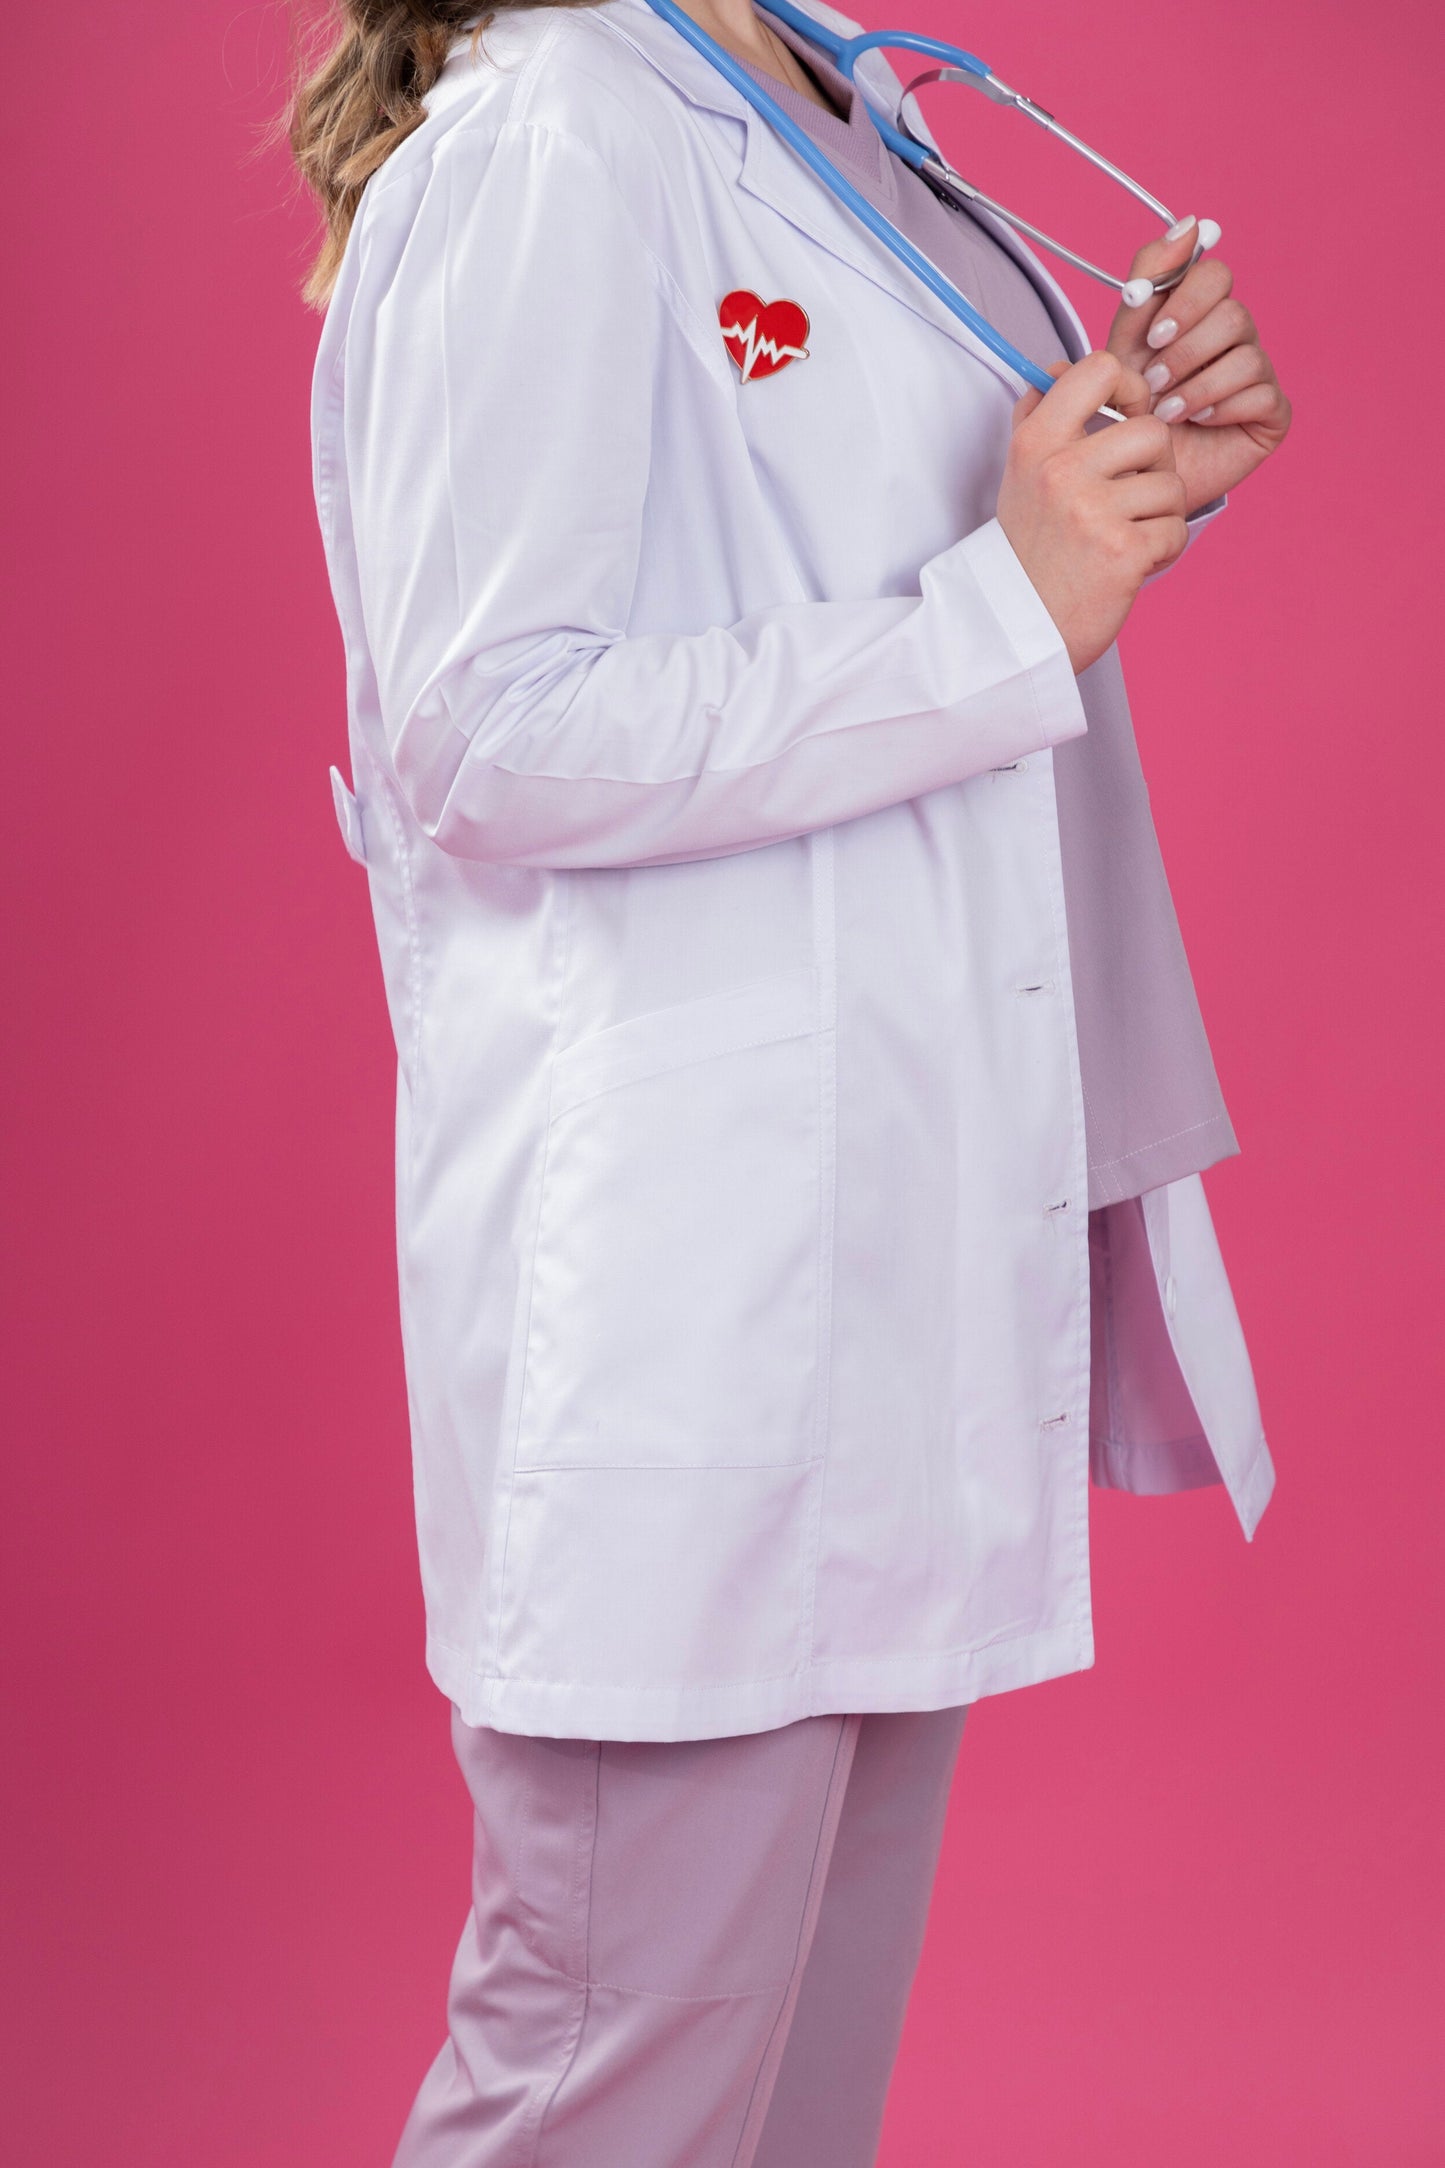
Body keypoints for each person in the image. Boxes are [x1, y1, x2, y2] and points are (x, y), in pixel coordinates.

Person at [291, 0, 1292, 2158]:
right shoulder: (560, 123)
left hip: (886, 1260)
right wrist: (1001, 607)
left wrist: (1125, 487)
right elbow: (477, 728)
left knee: (779, 2117)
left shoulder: (840, 102)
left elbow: (947, 590)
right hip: (689, 1299)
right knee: (611, 2096)